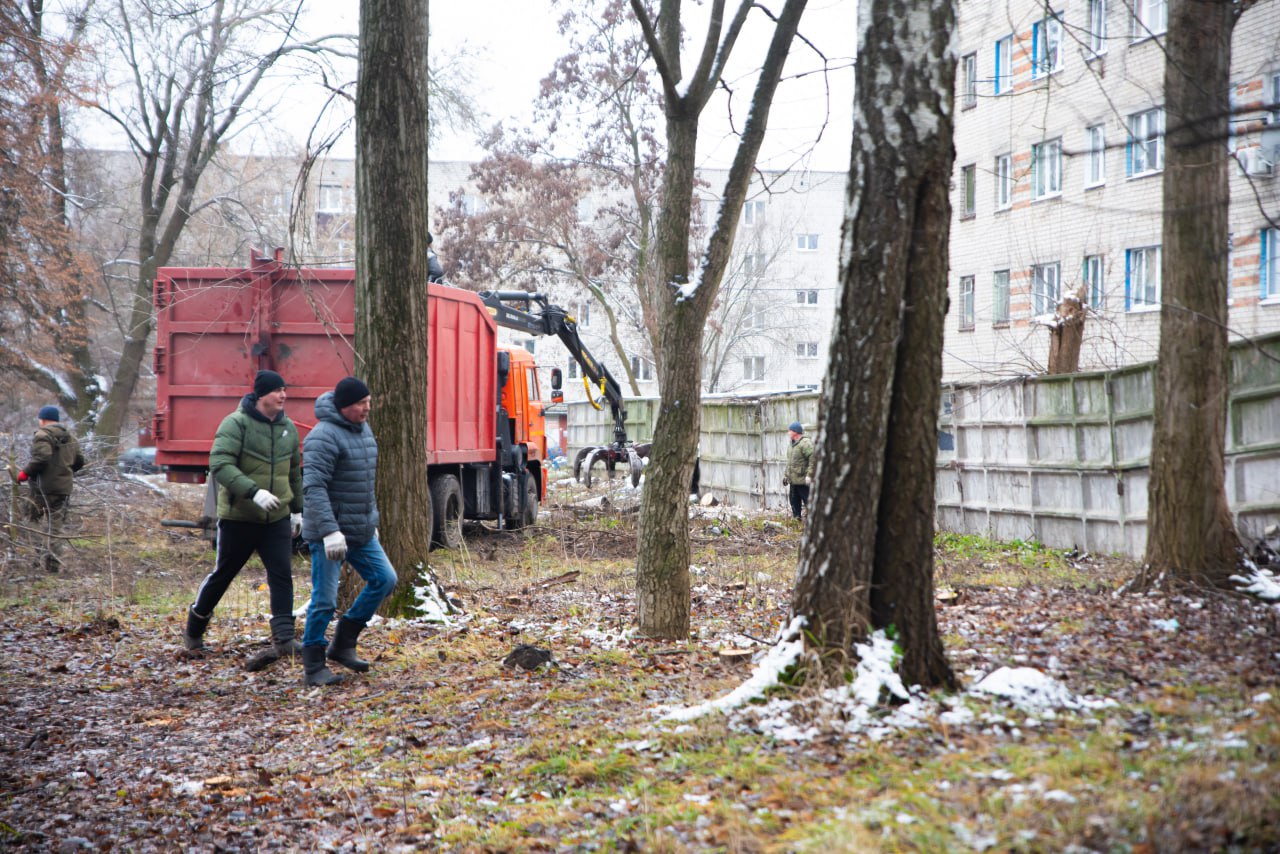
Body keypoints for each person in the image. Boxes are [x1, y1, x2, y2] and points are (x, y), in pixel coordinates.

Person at [183, 370, 304, 672]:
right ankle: (194, 628)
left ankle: (284, 639)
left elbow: (294, 473)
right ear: (261, 394)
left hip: (276, 517)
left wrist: (298, 509)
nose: (283, 395)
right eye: (277, 391)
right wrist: (254, 492)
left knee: (281, 575)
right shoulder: (235, 423)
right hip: (239, 517)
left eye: (284, 390)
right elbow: (220, 465)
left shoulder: (288, 428)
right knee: (224, 573)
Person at [300, 376, 398, 686]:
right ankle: (313, 665)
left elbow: (363, 484)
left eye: (368, 402)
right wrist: (330, 532)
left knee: (385, 579)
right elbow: (314, 487)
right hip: (328, 534)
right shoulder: (323, 437)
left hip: (360, 531)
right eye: (361, 404)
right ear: (345, 407)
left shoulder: (362, 430)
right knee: (325, 600)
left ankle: (342, 643)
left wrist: (372, 522)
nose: (367, 408)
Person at [19, 405, 85, 572]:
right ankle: (53, 566)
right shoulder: (70, 437)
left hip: (42, 489)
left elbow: (42, 457)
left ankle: (39, 551)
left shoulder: (42, 435)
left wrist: (25, 473)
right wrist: (65, 473)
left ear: (42, 419)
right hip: (63, 489)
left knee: (28, 518)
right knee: (55, 528)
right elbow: (79, 460)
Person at [782, 421, 815, 520]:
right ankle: (796, 521)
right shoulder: (792, 445)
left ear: (795, 432)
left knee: (809, 502)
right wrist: (786, 476)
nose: (788, 433)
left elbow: (813, 458)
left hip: (803, 481)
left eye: (790, 431)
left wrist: (810, 475)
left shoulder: (805, 443)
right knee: (794, 502)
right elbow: (790, 463)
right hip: (793, 481)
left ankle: (813, 523)